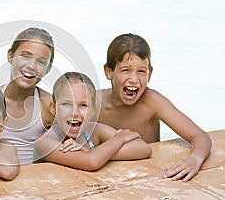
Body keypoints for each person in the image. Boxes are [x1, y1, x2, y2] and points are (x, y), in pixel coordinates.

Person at [95, 33, 212, 181]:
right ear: (108, 71)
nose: (134, 80)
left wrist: (194, 159)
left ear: (150, 74)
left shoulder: (152, 102)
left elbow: (200, 136)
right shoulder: (93, 103)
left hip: (149, 175)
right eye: (125, 70)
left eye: (141, 71)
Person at [34, 72, 151, 170]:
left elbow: (143, 148)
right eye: (66, 104)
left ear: (93, 111)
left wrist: (96, 153)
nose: (75, 113)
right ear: (53, 108)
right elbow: (91, 162)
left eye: (83, 105)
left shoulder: (95, 130)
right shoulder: (44, 143)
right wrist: (119, 139)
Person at [0, 27, 55, 165]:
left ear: (47, 69)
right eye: (25, 56)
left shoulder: (48, 105)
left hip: (34, 182)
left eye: (41, 62)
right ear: (10, 56)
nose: (31, 66)